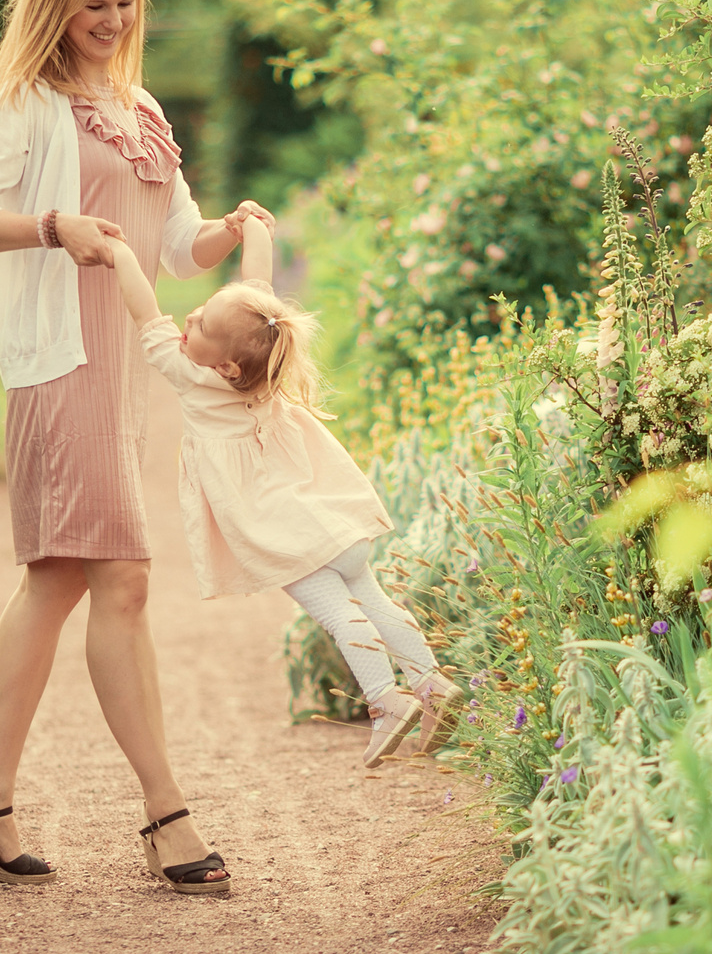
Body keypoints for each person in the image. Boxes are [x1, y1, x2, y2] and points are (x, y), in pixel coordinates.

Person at [0, 0, 260, 895]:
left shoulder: (140, 104)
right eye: (92, 6)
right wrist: (48, 227)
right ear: (56, 5)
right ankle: (166, 816)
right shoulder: (27, 103)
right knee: (113, 581)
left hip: (121, 373)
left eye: (124, 3)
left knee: (64, 582)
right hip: (61, 364)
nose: (111, 20)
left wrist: (227, 235)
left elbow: (173, 243)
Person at [99, 208, 461, 769]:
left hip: (287, 533)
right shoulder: (263, 350)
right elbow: (256, 284)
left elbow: (144, 311)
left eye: (196, 325)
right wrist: (255, 227)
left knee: (343, 616)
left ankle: (387, 701)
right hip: (333, 515)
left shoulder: (188, 373)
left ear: (223, 367)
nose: (187, 320)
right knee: (374, 599)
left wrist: (118, 252)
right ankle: (433, 684)